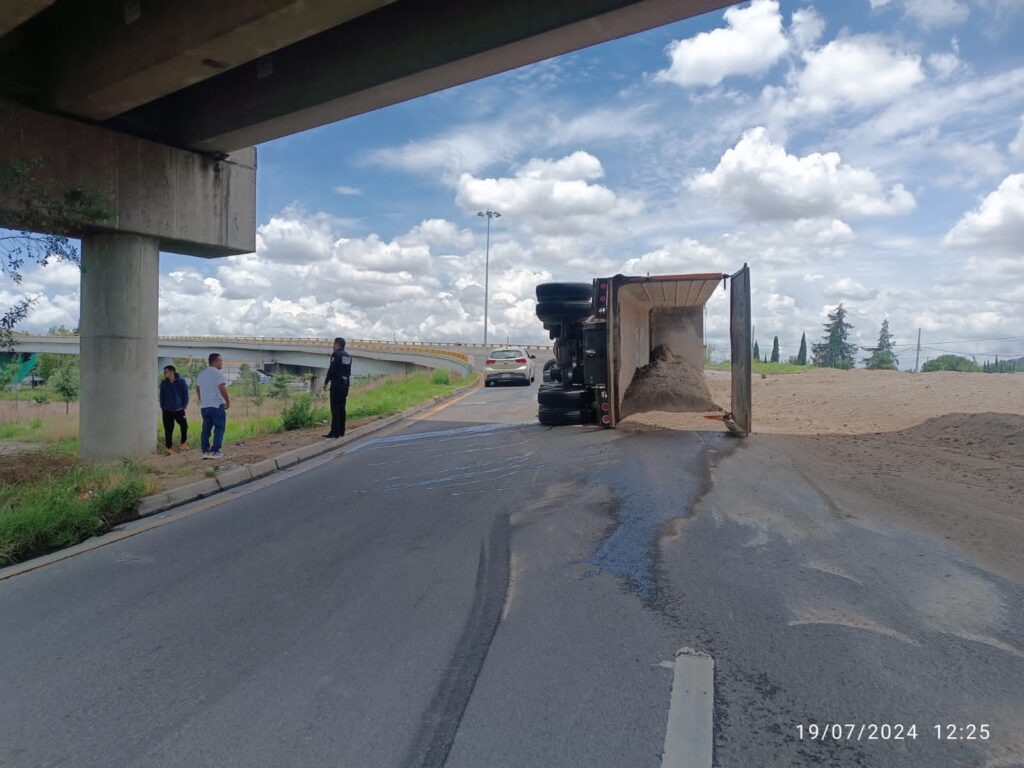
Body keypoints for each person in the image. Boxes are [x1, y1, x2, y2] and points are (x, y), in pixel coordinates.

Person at [196, 352, 230, 459]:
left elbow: (197, 388)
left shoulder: (201, 374)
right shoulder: (218, 374)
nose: (222, 363)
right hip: (216, 406)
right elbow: (222, 388)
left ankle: (205, 451)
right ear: (215, 361)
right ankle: (215, 451)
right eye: (220, 361)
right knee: (219, 428)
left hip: (205, 407)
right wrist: (228, 401)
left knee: (206, 429)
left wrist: (202, 400)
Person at [322, 337, 352, 438]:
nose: (332, 346)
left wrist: (326, 382)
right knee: (342, 408)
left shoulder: (336, 355)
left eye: (334, 344)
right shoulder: (348, 356)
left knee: (335, 408)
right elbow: (348, 372)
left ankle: (334, 432)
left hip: (337, 385)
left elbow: (332, 370)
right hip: (345, 385)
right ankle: (341, 431)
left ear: (338, 344)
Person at [159, 365, 190, 455]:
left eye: (166, 371)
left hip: (179, 410)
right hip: (167, 411)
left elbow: (185, 395)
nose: (165, 373)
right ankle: (169, 449)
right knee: (168, 430)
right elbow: (162, 397)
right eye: (164, 371)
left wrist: (184, 406)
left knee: (184, 426)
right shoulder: (164, 383)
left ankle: (183, 443)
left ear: (172, 372)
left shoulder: (181, 382)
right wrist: (163, 407)